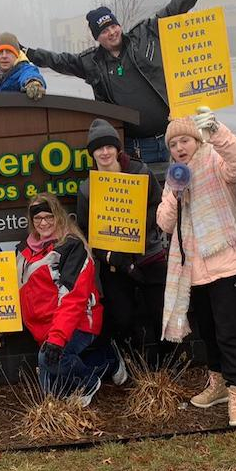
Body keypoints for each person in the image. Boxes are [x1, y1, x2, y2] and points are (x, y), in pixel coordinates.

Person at [24, 0, 225, 163]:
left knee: (183, 193)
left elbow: (178, 5)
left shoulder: (146, 34)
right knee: (150, 196)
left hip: (172, 138)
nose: (111, 32)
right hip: (135, 147)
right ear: (97, 37)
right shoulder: (91, 63)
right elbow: (59, 61)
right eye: (104, 31)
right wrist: (28, 53)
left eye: (113, 26)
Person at [155, 110, 236, 426]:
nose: (180, 148)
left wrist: (216, 129)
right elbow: (165, 223)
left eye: (184, 140)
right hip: (194, 270)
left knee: (230, 333)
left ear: (196, 140)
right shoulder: (175, 176)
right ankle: (219, 384)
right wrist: (174, 194)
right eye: (174, 144)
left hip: (228, 263)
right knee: (209, 333)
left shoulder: (215, 160)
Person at [75, 119, 166, 378]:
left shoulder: (140, 172)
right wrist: (113, 255)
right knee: (122, 319)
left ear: (117, 149)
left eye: (109, 146)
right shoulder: (87, 188)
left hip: (148, 255)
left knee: (160, 316)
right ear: (92, 153)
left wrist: (136, 230)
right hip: (114, 262)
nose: (104, 152)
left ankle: (160, 368)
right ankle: (131, 363)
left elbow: (157, 205)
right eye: (98, 148)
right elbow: (86, 230)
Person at [17, 193, 108, 406]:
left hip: (78, 322)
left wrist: (56, 340)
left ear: (58, 216)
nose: (43, 223)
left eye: (49, 216)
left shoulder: (72, 247)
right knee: (52, 395)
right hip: (45, 329)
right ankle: (107, 362)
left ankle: (88, 381)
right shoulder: (24, 250)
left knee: (51, 360)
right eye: (38, 218)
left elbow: (73, 300)